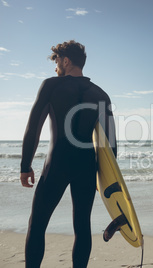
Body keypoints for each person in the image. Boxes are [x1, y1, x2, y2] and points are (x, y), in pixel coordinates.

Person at [20, 40, 117, 268]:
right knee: (82, 226)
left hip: (57, 163)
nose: (56, 68)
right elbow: (110, 146)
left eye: (57, 62)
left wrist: (25, 165)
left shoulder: (51, 86)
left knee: (37, 224)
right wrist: (104, 180)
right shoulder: (101, 95)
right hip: (86, 167)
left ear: (66, 61)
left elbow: (33, 127)